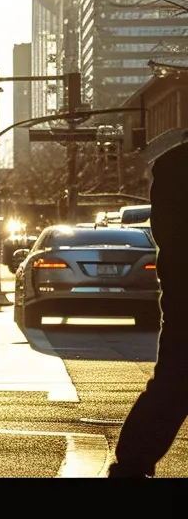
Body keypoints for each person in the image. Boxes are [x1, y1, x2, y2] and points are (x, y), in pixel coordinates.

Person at [108, 138, 188, 477]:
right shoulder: (174, 167)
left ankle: (133, 462)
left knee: (174, 381)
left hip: (182, 294)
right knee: (175, 381)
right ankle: (132, 461)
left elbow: (167, 236)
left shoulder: (172, 165)